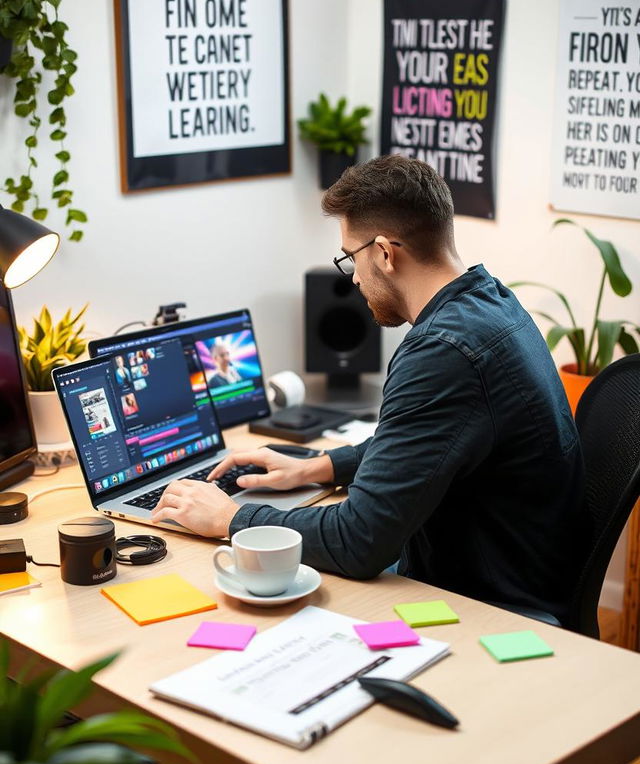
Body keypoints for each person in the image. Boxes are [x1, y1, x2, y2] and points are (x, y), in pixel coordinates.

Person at [152, 156, 586, 622]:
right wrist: (316, 467)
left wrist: (231, 520)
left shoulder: (442, 350)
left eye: (350, 258)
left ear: (383, 252)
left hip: (490, 609)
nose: (355, 278)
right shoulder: (492, 303)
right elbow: (428, 441)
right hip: (516, 577)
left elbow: (359, 540)